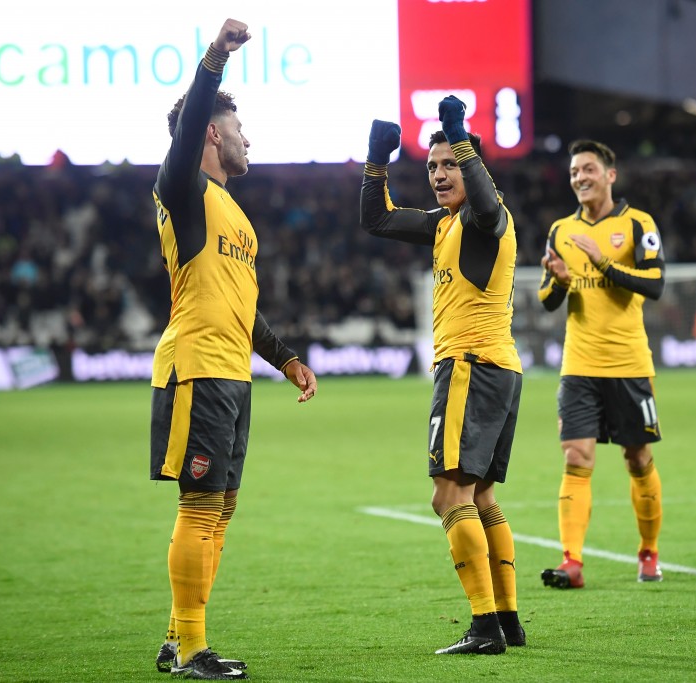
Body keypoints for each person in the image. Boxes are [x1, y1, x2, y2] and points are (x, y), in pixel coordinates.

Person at [148, 18, 318, 681]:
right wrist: (215, 58)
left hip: (232, 374)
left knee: (220, 505)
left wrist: (286, 359)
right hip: (196, 369)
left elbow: (244, 309)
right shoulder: (183, 190)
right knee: (199, 505)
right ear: (213, 134)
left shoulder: (235, 215)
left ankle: (177, 639)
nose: (250, 140)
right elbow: (188, 126)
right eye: (240, 129)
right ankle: (194, 649)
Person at [360, 97, 524, 655]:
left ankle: (484, 627)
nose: (437, 174)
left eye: (449, 163)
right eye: (432, 166)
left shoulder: (485, 216)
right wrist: (376, 160)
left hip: (470, 367)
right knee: (480, 496)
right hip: (497, 368)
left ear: (470, 164)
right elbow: (378, 219)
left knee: (447, 495)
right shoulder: (444, 224)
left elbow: (486, 203)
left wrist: (458, 132)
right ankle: (507, 620)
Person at [537, 139, 666, 590]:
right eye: (574, 171)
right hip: (578, 365)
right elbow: (547, 299)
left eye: (588, 169)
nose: (580, 177)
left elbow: (655, 283)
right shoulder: (560, 231)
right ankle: (571, 562)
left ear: (610, 175)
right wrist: (559, 282)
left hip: (629, 364)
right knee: (576, 456)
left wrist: (602, 262)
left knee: (638, 457)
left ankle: (648, 552)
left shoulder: (638, 224)